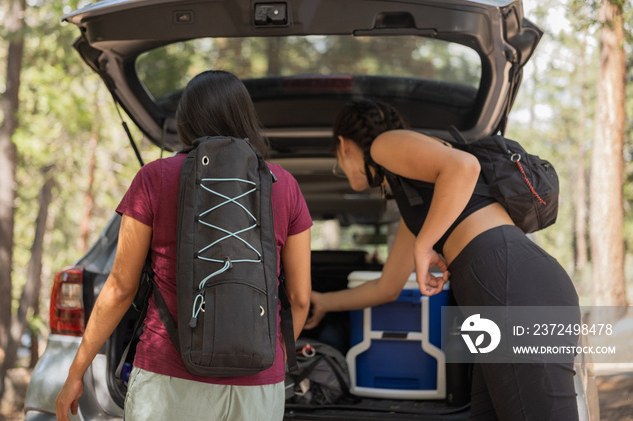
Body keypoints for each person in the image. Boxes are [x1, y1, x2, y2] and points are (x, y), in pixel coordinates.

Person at [56, 70, 312, 421]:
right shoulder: (285, 185)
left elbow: (119, 289)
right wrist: (272, 358)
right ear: (245, 117)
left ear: (185, 121)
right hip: (257, 388)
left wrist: (76, 372)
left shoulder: (154, 178)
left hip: (169, 379)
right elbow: (299, 298)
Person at [305, 99, 580, 420]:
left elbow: (464, 167)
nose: (341, 168)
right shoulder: (420, 203)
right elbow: (387, 288)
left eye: (338, 161)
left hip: (510, 282)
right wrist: (324, 301)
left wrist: (424, 246)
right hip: (506, 286)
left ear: (344, 144)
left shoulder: (384, 143)